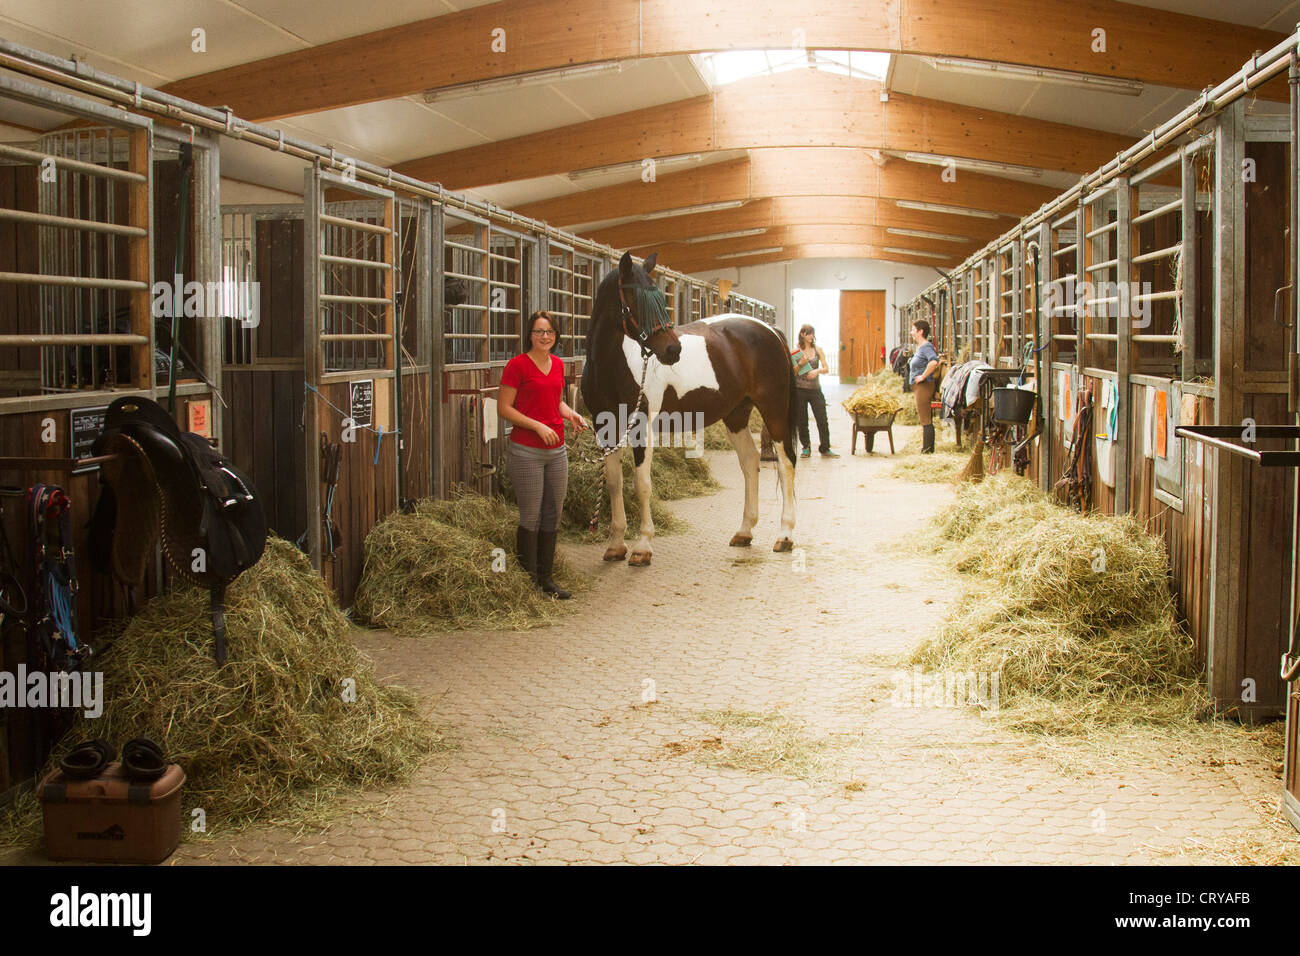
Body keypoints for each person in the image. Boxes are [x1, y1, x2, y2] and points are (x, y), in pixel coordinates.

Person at [497, 310, 588, 599]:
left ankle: (547, 580)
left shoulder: (557, 365)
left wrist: (570, 414)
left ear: (555, 335)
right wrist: (537, 426)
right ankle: (529, 581)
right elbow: (504, 408)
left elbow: (555, 401)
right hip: (527, 451)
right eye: (538, 331)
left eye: (549, 331)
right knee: (531, 514)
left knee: (553, 513)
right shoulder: (517, 366)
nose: (544, 336)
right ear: (530, 334)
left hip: (556, 450)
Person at [792, 324, 838, 458]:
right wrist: (800, 364)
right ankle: (806, 447)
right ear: (802, 334)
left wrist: (817, 371)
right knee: (802, 420)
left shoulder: (818, 350)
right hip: (800, 390)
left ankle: (825, 448)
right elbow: (793, 372)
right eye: (809, 333)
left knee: (822, 419)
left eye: (812, 333)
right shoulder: (795, 352)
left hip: (815, 390)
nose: (811, 336)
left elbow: (826, 368)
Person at [909, 319, 940, 454]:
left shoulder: (926, 347)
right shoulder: (921, 347)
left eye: (913, 330)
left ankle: (927, 450)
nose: (911, 332)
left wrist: (922, 376)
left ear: (920, 331)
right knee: (924, 417)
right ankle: (927, 448)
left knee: (925, 418)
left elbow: (933, 362)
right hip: (920, 387)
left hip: (925, 385)